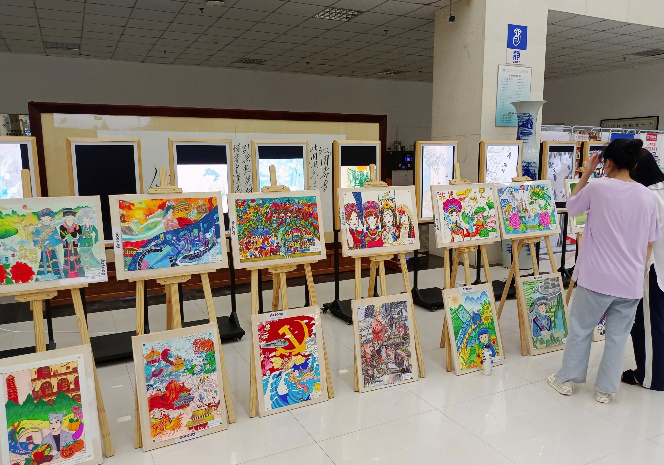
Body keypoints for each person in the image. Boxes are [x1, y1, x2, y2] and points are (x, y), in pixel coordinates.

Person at [548, 138, 660, 403]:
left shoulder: (598, 188)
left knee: (581, 329)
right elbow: (650, 241)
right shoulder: (648, 196)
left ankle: (566, 380)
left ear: (607, 162)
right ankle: (605, 390)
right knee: (617, 337)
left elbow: (571, 207)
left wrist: (587, 171)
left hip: (595, 278)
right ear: (634, 163)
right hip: (630, 282)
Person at [622, 149, 664, 391]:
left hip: (653, 268)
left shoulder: (645, 196)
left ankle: (651, 377)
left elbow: (641, 239)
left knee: (648, 323)